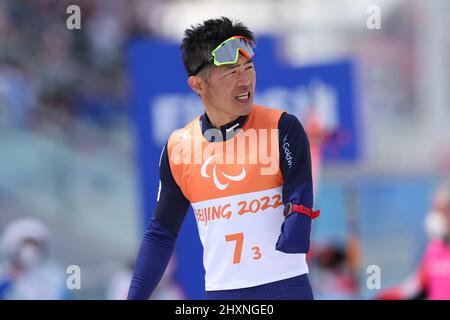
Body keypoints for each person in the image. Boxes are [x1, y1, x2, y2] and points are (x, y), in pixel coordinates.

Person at [127, 17, 319, 300]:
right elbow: (161, 235)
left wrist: (298, 223)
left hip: (285, 288)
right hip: (222, 294)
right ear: (197, 85)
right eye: (230, 72)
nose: (245, 81)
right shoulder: (179, 147)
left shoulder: (281, 127)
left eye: (249, 67)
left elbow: (300, 196)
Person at [376, 184, 450, 300]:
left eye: (441, 211)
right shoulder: (434, 250)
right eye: (434, 210)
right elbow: (414, 287)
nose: (436, 217)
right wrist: (381, 296)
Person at [0, 217, 68, 300]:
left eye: (35, 245)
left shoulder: (55, 276)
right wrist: (9, 280)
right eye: (25, 244)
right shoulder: (4, 274)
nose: (30, 251)